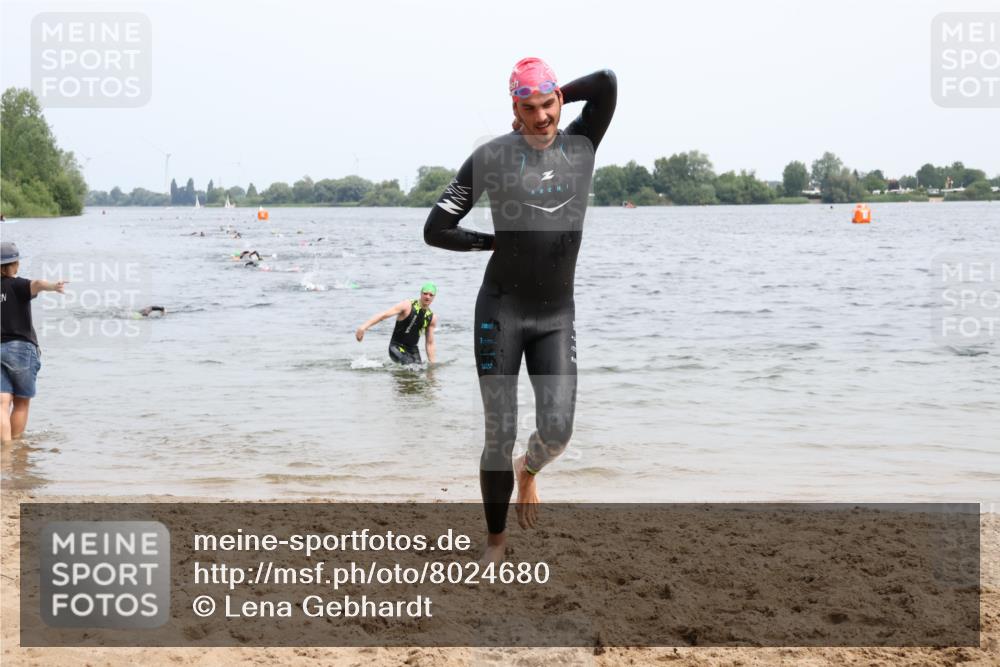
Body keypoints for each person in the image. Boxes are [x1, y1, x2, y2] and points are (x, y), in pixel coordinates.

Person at [423, 57, 616, 563]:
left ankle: (527, 469)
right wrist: (494, 244)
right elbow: (436, 229)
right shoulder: (491, 157)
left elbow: (607, 83)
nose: (541, 117)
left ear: (559, 101)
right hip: (502, 310)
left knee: (558, 430)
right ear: (514, 108)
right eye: (528, 107)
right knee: (497, 430)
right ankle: (495, 541)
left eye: (548, 104)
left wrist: (562, 93)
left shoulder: (581, 144)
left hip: (556, 315)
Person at [1, 242, 67, 444]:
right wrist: (53, 286)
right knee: (21, 403)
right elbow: (37, 283)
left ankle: (4, 450)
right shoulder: (18, 285)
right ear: (15, 264)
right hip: (21, 349)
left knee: (2, 403)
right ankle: (15, 449)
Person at [355, 284, 439, 365]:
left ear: (434, 297)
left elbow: (430, 343)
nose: (427, 296)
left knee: (420, 370)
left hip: (413, 350)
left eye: (431, 295)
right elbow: (383, 315)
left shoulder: (431, 317)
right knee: (411, 366)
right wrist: (363, 327)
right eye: (425, 293)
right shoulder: (407, 305)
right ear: (421, 293)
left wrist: (432, 365)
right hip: (396, 347)